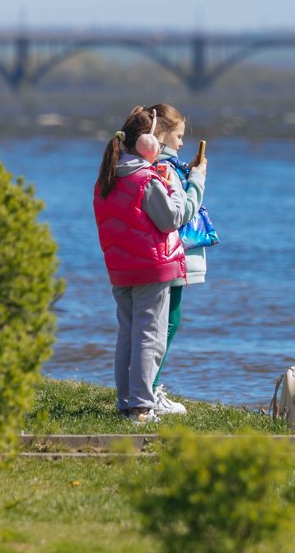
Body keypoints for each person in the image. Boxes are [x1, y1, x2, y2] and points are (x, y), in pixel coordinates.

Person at [93, 106, 201, 424]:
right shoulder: (145, 179)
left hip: (120, 268)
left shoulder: (107, 178)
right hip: (152, 268)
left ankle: (126, 400)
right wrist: (176, 187)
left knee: (127, 333)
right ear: (150, 144)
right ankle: (141, 407)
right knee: (148, 335)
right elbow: (172, 219)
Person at [146, 103, 214, 416]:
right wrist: (197, 179)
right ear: (161, 133)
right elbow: (181, 212)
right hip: (170, 256)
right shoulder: (162, 168)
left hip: (164, 256)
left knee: (164, 323)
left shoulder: (158, 166)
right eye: (179, 135)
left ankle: (146, 390)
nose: (183, 142)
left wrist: (188, 171)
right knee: (165, 324)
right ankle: (149, 392)